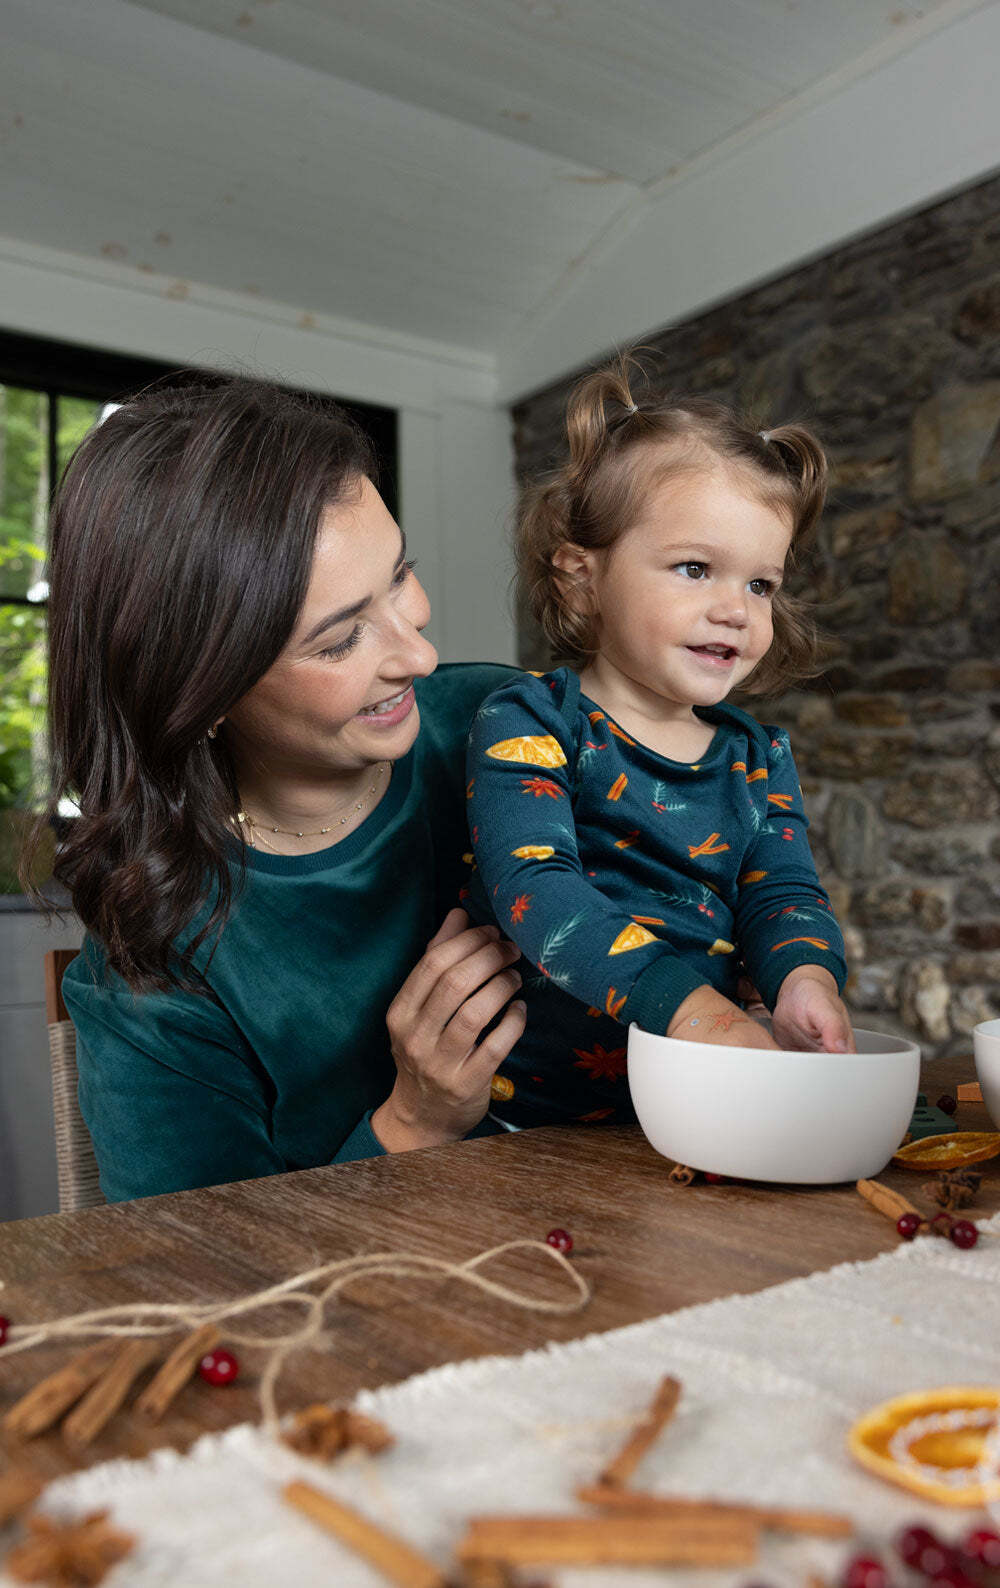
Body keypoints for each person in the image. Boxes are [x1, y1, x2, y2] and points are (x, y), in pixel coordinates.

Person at [26, 374, 526, 1201]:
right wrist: (413, 1123)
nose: (420, 655)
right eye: (340, 640)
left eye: (400, 575)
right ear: (203, 693)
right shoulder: (156, 971)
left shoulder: (506, 725)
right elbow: (202, 1265)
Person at [465, 359, 853, 1130]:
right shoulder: (533, 720)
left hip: (708, 1104)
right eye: (695, 568)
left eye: (760, 584)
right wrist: (694, 1012)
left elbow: (782, 893)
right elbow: (536, 887)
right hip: (530, 1120)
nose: (736, 610)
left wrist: (807, 978)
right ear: (581, 578)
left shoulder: (757, 757)